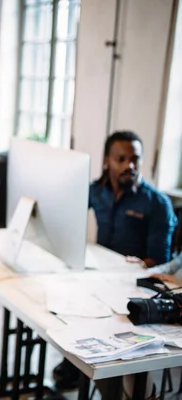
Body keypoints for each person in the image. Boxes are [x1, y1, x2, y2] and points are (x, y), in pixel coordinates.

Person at [53, 130, 178, 391]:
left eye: (135, 159)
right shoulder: (97, 191)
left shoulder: (157, 204)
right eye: (121, 159)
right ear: (106, 161)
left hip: (131, 289)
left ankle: (99, 381)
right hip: (96, 276)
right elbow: (63, 209)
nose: (129, 166)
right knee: (58, 308)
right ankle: (74, 367)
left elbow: (160, 264)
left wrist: (143, 263)